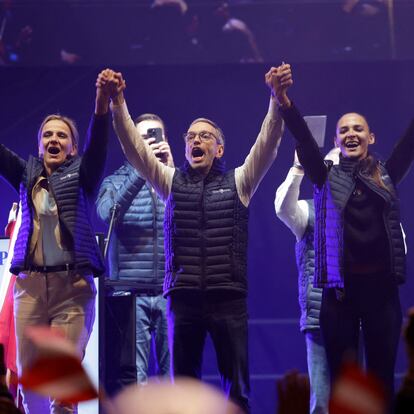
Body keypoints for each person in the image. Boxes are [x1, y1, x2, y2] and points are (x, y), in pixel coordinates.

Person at [105, 68, 284, 413]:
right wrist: (118, 103)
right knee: (183, 392)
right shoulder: (171, 183)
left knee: (237, 391)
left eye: (204, 136)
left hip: (227, 299)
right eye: (190, 137)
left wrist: (277, 101)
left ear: (219, 149)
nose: (195, 141)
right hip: (183, 300)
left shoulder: (240, 182)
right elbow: (135, 149)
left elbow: (267, 143)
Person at [272, 63, 414, 410]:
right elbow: (304, 141)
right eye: (344, 130)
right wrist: (283, 100)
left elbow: (410, 142)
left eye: (358, 129)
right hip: (339, 298)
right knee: (342, 387)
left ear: (371, 137)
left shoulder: (387, 173)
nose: (351, 134)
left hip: (381, 295)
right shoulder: (324, 177)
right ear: (336, 140)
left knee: (380, 384)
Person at [0, 68, 117, 413]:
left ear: (71, 147)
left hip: (72, 288)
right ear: (39, 144)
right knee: (27, 382)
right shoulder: (26, 174)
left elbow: (98, 146)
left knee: (63, 391)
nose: (53, 140)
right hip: (30, 287)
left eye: (61, 136)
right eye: (47, 135)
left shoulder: (82, 175)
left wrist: (101, 104)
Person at [96, 113, 173, 392]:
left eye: (157, 135)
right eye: (142, 139)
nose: (150, 143)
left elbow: (194, 223)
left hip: (169, 292)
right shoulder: (115, 181)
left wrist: (172, 173)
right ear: (130, 143)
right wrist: (142, 170)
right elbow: (107, 213)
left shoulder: (174, 179)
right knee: (134, 380)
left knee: (174, 376)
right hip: (130, 295)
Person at [274, 148, 339, 414]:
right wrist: (298, 168)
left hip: (360, 317)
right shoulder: (308, 210)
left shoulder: (367, 209)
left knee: (359, 400)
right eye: (330, 167)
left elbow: (398, 246)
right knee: (321, 403)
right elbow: (283, 208)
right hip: (319, 319)